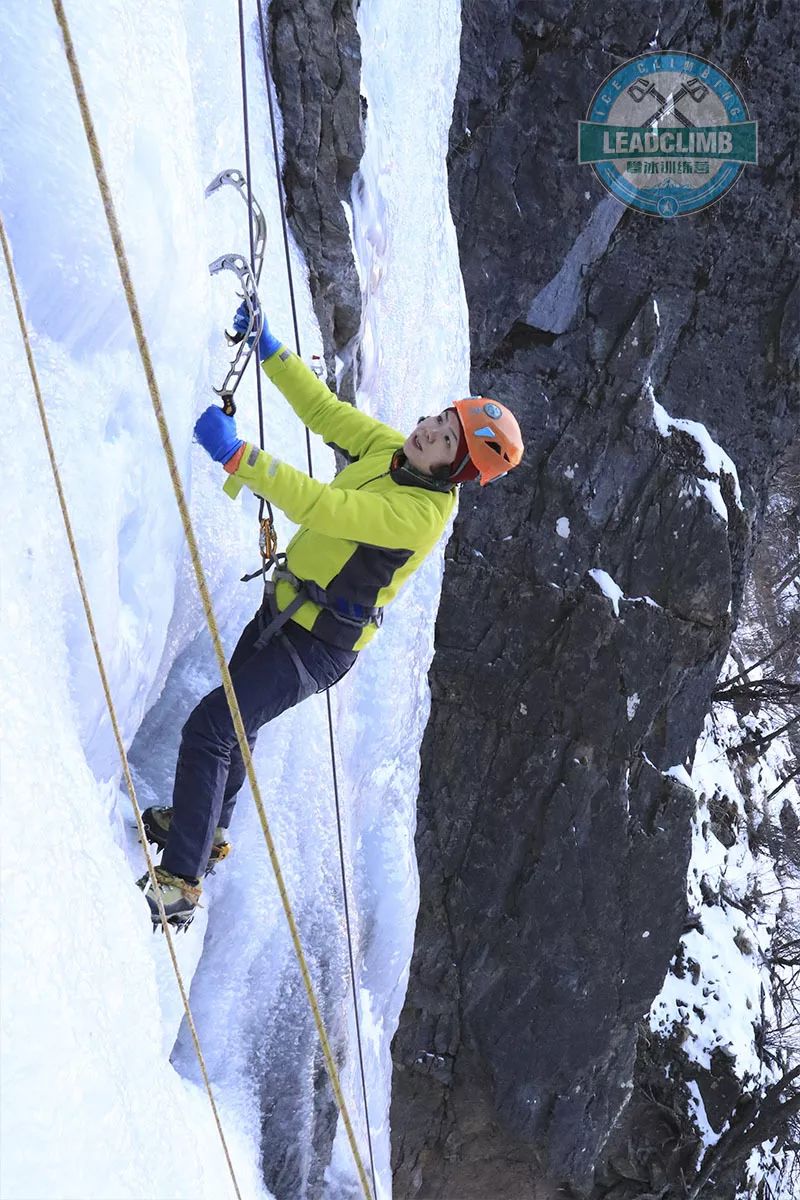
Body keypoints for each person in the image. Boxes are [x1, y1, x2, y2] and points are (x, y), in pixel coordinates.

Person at [137, 308, 524, 927]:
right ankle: (204, 832)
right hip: (287, 608)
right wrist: (270, 350)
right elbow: (322, 410)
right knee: (233, 725)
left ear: (456, 472)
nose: (429, 432)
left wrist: (240, 458)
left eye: (447, 440)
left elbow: (325, 508)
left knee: (214, 725)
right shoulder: (390, 449)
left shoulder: (422, 516)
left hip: (317, 646)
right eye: (440, 421)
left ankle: (182, 880)